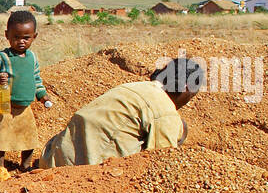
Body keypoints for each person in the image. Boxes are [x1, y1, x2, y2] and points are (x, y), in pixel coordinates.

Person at [40, 57, 203, 168]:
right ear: (186, 89)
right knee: (177, 130)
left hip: (51, 158)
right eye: (192, 95)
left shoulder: (135, 86)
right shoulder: (165, 111)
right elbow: (160, 163)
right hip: (83, 171)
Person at [0, 10, 54, 171]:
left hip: (25, 106)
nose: (21, 41)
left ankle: (25, 165)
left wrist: (43, 97)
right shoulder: (2, 57)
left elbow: (36, 80)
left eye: (26, 38)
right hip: (6, 103)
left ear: (34, 36)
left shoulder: (32, 58)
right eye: (16, 37)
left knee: (29, 138)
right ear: (7, 35)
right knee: (2, 136)